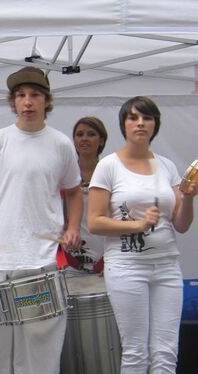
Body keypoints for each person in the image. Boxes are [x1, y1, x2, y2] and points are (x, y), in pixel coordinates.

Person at [0, 66, 82, 374]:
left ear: (46, 101)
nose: (28, 102)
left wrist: (74, 227)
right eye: (21, 96)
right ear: (13, 102)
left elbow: (75, 191)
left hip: (43, 264)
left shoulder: (61, 144)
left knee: (40, 356)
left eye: (35, 95)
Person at [88, 96, 196, 373]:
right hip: (126, 267)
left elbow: (181, 225)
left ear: (155, 125)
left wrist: (188, 198)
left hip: (167, 266)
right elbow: (95, 222)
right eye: (133, 117)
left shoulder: (166, 165)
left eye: (146, 118)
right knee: (136, 352)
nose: (140, 123)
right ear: (123, 124)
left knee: (166, 352)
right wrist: (136, 225)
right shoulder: (108, 166)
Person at [65, 116, 108, 275]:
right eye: (79, 134)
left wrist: (114, 258)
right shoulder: (64, 175)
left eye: (91, 134)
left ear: (102, 140)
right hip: (70, 258)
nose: (84, 139)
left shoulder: (111, 173)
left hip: (107, 257)